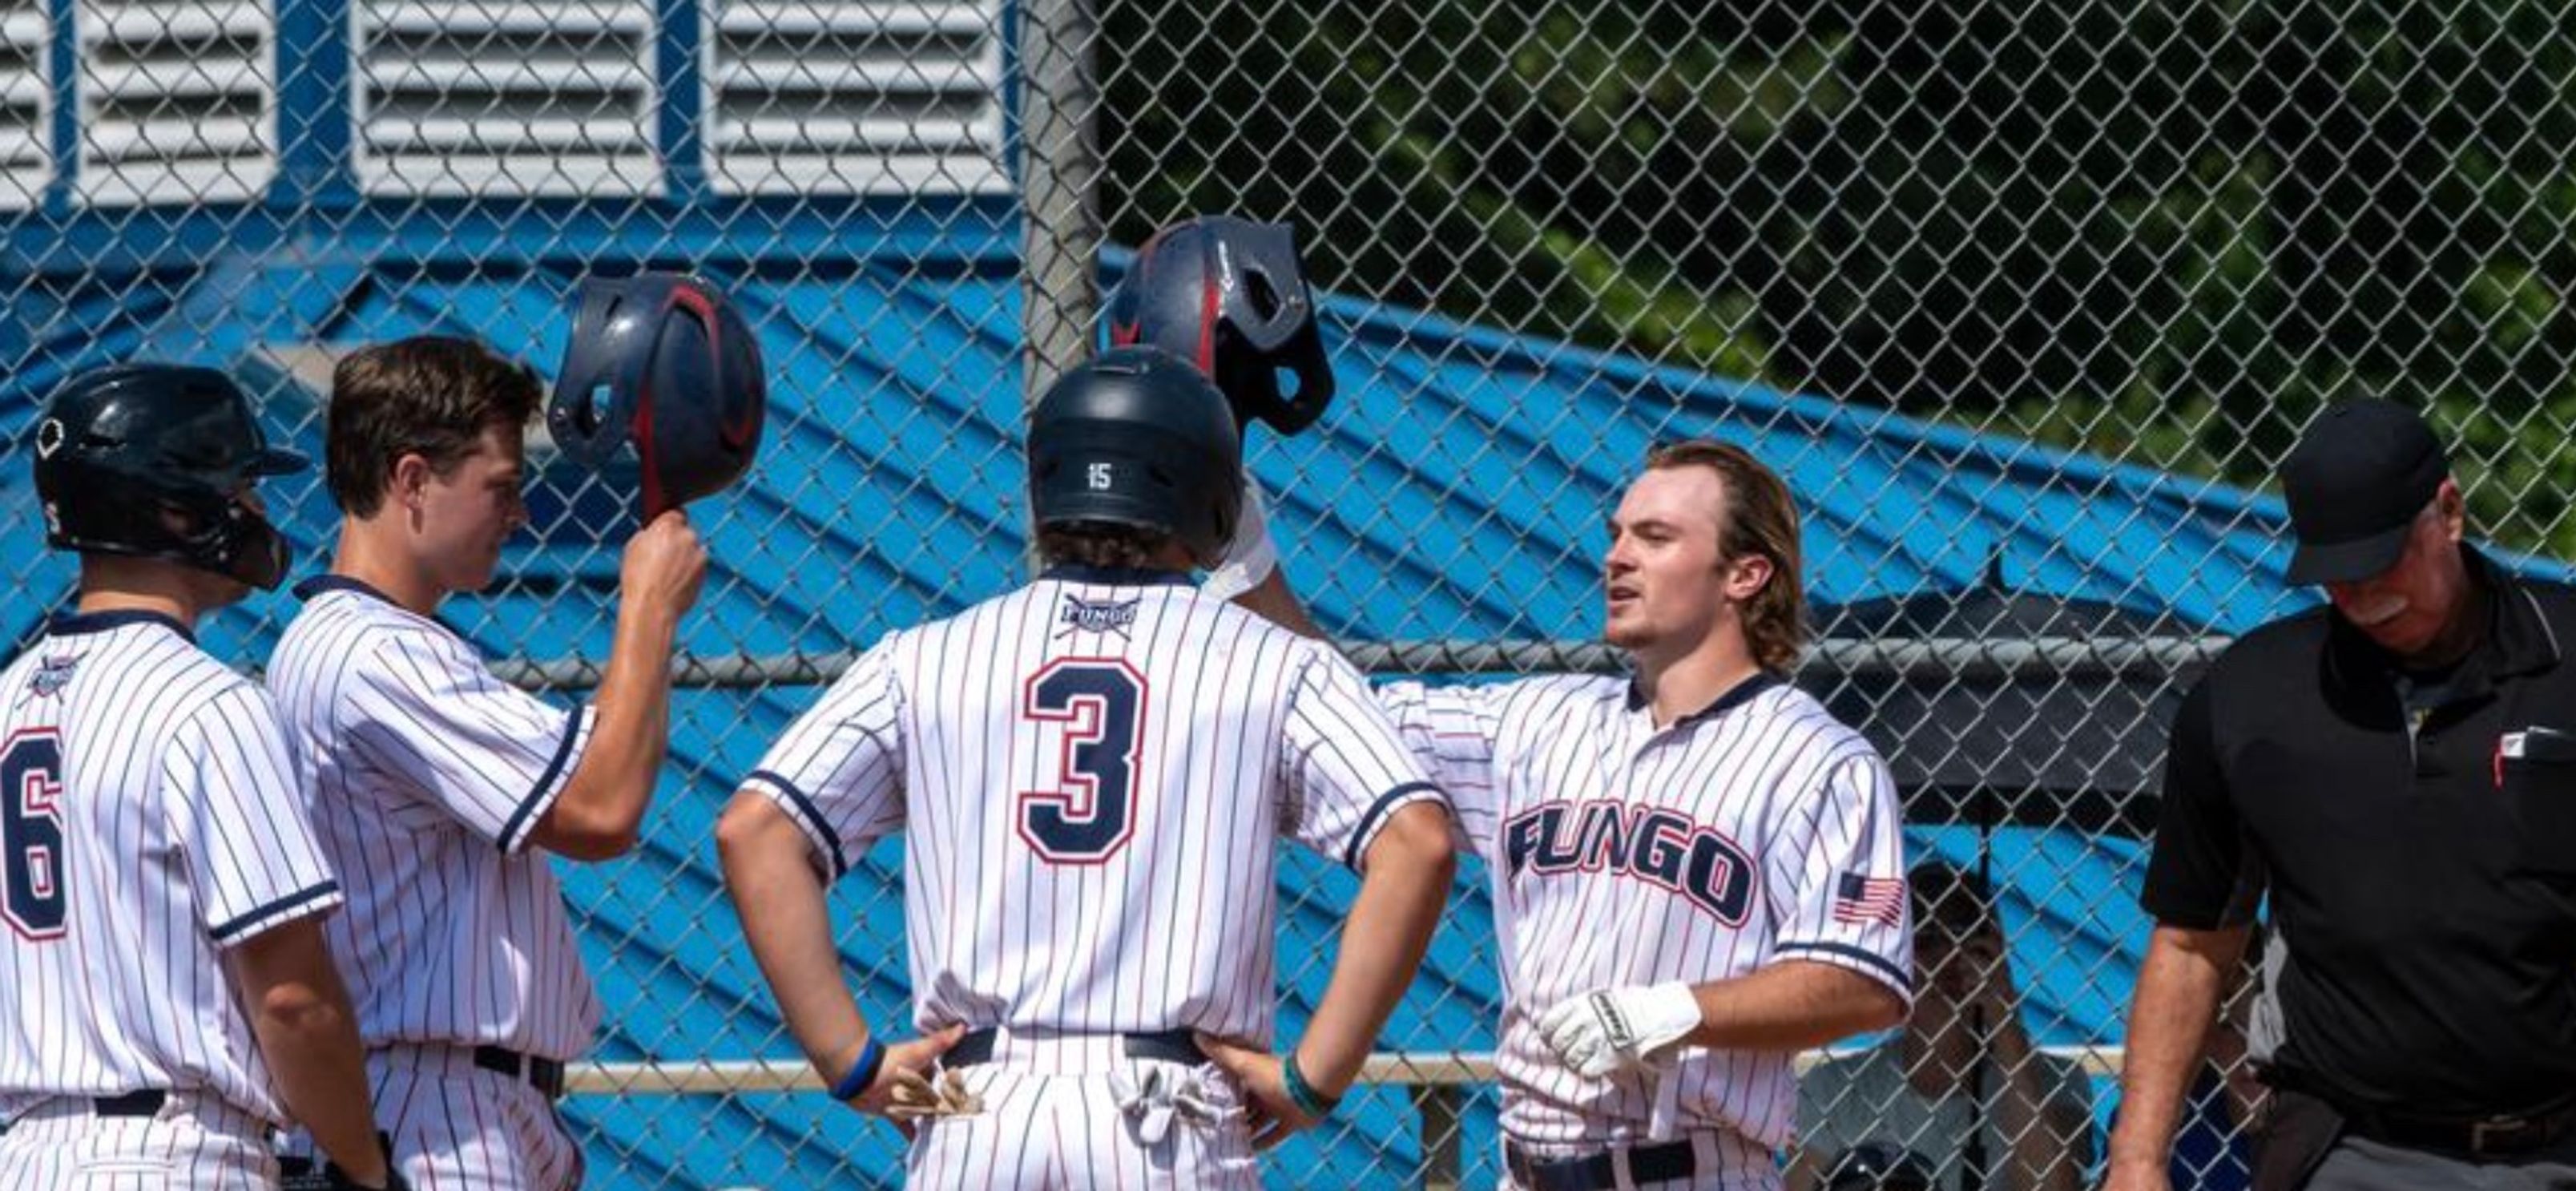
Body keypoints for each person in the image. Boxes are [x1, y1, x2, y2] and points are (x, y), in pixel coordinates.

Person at [713, 347, 1459, 1187]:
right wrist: (1311, 1077)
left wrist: (851, 1063)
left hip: (977, 1110)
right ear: (1210, 495)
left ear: (1047, 491)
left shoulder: (926, 658)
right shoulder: (1274, 663)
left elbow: (755, 828)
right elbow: (1419, 841)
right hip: (1166, 1110)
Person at [2102, 400, 2576, 1191]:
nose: (2359, 592)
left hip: (2572, 1144)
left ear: (2449, 511)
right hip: (2351, 1148)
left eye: (2382, 558)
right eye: (2335, 572)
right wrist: (2137, 1162)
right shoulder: (2251, 700)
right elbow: (2190, 944)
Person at [1225, 437, 1913, 1189]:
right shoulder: (1537, 722)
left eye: (1655, 537)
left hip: (1694, 1171)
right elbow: (1343, 721)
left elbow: (1861, 984)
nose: (1617, 557)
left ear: (1746, 575)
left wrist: (1673, 1012)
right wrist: (1249, 558)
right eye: (1616, 534)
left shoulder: (1817, 762)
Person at [267, 336, 708, 1189]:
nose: (521, 515)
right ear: (410, 482)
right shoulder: (371, 654)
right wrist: (648, 607)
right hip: (429, 1109)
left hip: (452, 1097)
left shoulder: (369, 645)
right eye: (500, 487)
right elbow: (601, 809)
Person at [0, 365, 402, 1190]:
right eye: (241, 490)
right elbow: (291, 996)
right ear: (175, 509)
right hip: (177, 1153)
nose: (255, 512)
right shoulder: (208, 705)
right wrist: (365, 1167)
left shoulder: (6, 700)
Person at [1791, 863, 2090, 1191]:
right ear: (1896, 956)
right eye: (1926, 938)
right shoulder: (1833, 1089)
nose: (1949, 953)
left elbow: (2052, 1188)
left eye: (1966, 934)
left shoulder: (2056, 1083)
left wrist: (2003, 1017)